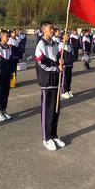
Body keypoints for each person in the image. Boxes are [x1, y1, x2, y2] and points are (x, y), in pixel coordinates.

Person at [34, 20, 65, 151]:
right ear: (44, 30)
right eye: (50, 28)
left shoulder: (54, 44)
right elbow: (42, 64)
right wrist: (56, 68)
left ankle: (54, 134)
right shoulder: (40, 45)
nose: (53, 30)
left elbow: (57, 58)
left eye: (53, 28)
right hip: (47, 82)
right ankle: (47, 138)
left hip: (55, 81)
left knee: (56, 110)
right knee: (47, 111)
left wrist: (61, 61)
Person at [0, 30, 13, 121]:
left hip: (7, 74)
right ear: (2, 37)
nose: (8, 38)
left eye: (9, 36)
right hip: (0, 75)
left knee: (6, 92)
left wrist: (12, 73)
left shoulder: (9, 47)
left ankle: (4, 110)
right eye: (6, 36)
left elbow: (11, 62)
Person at [59, 32, 74, 99]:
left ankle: (68, 90)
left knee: (69, 78)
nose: (68, 37)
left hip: (70, 64)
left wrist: (72, 62)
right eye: (67, 36)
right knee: (64, 79)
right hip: (65, 65)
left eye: (68, 36)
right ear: (63, 36)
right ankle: (64, 91)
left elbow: (71, 55)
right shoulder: (61, 44)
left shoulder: (69, 45)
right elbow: (59, 56)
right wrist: (61, 64)